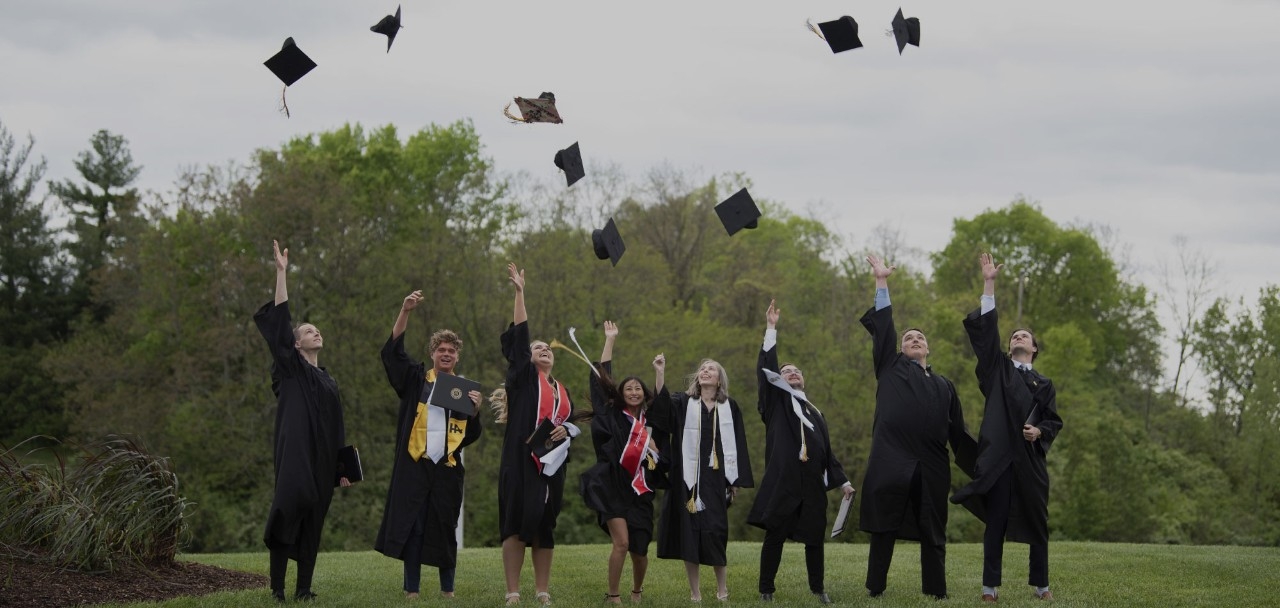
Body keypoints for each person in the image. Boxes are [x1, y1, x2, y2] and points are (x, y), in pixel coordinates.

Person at [858, 254, 974, 600]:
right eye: (908, 338)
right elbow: (885, 326)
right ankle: (875, 588)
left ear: (928, 348)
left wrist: (985, 466)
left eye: (920, 338)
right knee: (884, 526)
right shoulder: (890, 366)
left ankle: (936, 591)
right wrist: (882, 282)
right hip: (891, 459)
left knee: (934, 528)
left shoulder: (944, 385)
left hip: (932, 464)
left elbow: (959, 432)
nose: (914, 340)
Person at [950, 253, 1064, 603]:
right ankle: (989, 587)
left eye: (1024, 335)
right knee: (995, 523)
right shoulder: (997, 371)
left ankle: (1040, 585)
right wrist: (989, 284)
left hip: (1029, 462)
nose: (1017, 336)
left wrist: (1039, 433)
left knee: (1038, 524)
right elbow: (986, 335)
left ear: (1034, 348)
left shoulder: (1044, 384)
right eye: (1014, 334)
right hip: (999, 458)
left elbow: (1053, 420)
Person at [253, 239, 350, 603]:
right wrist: (281, 274)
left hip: (323, 459)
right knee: (288, 507)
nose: (315, 332)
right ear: (295, 345)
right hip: (295, 456)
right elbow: (280, 324)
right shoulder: (290, 371)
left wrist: (343, 466)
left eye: (317, 330)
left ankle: (303, 588)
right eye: (308, 330)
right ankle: (277, 587)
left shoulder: (328, 380)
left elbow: (338, 427)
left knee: (314, 518)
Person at [374, 290, 484, 599]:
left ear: (457, 356)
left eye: (451, 351)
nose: (446, 354)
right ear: (433, 353)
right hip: (415, 465)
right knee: (415, 528)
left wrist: (475, 413)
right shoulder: (417, 380)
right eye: (441, 350)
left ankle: (448, 590)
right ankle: (412, 590)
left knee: (445, 529)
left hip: (447, 468)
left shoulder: (463, 392)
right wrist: (405, 311)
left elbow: (469, 437)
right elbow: (392, 354)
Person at [748, 300, 854, 604]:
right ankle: (766, 589)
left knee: (814, 540)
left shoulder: (815, 411)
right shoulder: (775, 403)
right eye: (786, 371)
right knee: (775, 535)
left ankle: (818, 589)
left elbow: (826, 453)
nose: (792, 372)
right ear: (779, 380)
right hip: (785, 481)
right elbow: (765, 370)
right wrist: (771, 329)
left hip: (812, 483)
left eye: (796, 371)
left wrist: (843, 481)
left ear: (803, 379)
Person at [497, 263, 582, 606]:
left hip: (551, 466)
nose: (544, 348)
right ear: (527, 359)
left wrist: (569, 429)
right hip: (520, 463)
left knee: (545, 526)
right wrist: (520, 293)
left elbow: (571, 423)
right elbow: (519, 339)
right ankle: (514, 591)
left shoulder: (561, 390)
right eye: (537, 347)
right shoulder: (521, 381)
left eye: (548, 347)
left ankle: (542, 591)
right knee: (517, 525)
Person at [649, 356, 754, 603]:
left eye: (712, 370)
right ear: (698, 377)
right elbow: (660, 409)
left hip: (716, 479)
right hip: (686, 479)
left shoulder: (730, 406)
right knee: (689, 533)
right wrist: (660, 373)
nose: (706, 372)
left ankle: (722, 589)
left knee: (716, 530)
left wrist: (735, 479)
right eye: (703, 369)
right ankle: (695, 593)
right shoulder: (683, 402)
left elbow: (738, 441)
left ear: (719, 380)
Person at [578, 321, 668, 604]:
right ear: (621, 393)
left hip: (640, 490)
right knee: (622, 543)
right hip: (612, 485)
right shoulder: (613, 415)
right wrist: (610, 341)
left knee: (640, 549)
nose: (632, 391)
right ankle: (613, 595)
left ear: (644, 394)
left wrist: (660, 373)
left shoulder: (650, 423)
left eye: (637, 389)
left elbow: (664, 408)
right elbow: (601, 380)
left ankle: (637, 591)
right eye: (628, 388)